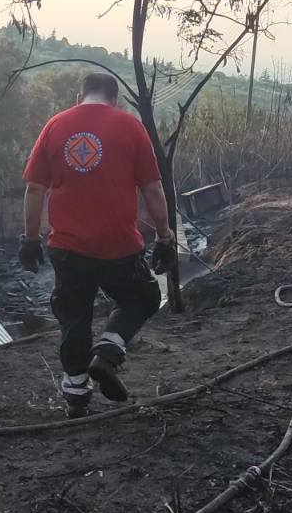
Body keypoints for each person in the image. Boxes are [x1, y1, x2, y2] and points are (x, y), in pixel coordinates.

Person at [19, 72, 177, 418]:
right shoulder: (131, 127)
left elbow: (34, 188)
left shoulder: (55, 126)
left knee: (74, 316)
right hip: (118, 246)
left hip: (67, 247)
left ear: (80, 97)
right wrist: (165, 237)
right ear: (115, 99)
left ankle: (76, 394)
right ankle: (107, 353)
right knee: (143, 298)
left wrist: (30, 240)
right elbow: (152, 189)